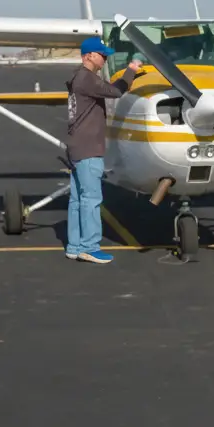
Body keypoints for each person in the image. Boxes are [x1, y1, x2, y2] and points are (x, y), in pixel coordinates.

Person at [64, 37, 140, 264]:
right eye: (101, 54)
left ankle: (75, 245)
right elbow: (116, 91)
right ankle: (89, 247)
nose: (105, 58)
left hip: (77, 145)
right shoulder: (87, 79)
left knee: (78, 199)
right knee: (92, 198)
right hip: (88, 148)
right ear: (88, 56)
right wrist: (132, 70)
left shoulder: (79, 78)